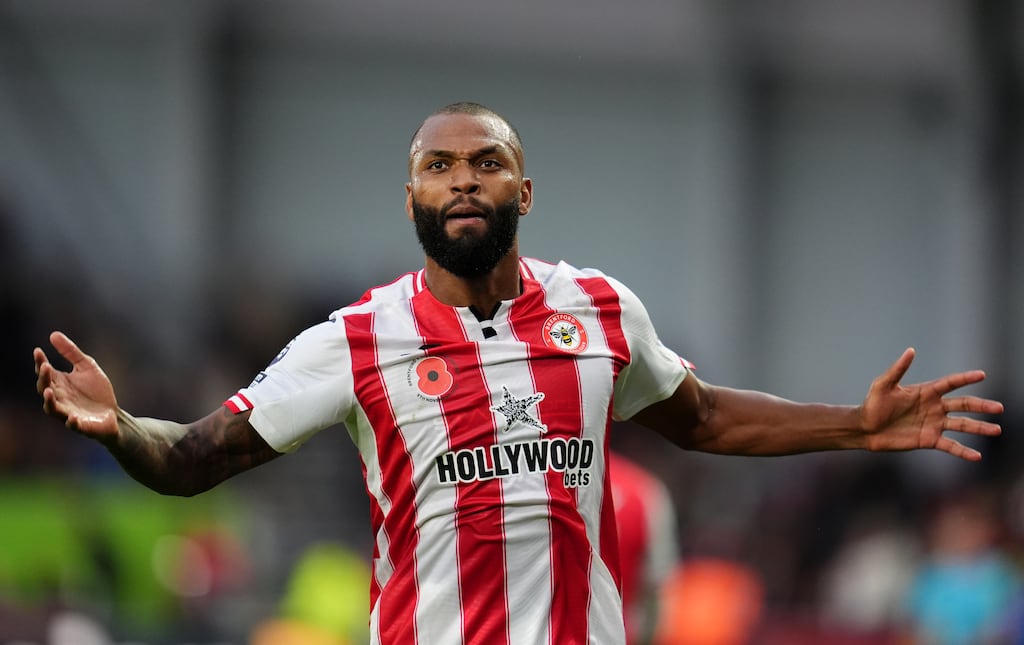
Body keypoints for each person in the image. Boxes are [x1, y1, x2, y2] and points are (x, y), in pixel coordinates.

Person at [33, 102, 1004, 645]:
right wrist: (122, 429)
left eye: (485, 162)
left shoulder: (600, 310)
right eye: (438, 165)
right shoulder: (357, 339)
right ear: (410, 195)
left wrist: (855, 425)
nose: (462, 179)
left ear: (523, 189)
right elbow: (194, 457)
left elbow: (702, 420)